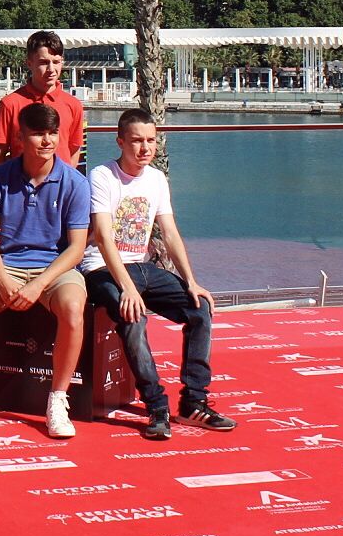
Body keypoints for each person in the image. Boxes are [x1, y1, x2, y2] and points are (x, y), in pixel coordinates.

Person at [83, 108, 235, 440]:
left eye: (151, 140)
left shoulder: (156, 178)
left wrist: (191, 281)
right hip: (101, 268)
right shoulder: (102, 175)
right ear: (120, 141)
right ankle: (156, 407)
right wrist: (126, 287)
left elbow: (170, 232)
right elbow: (105, 238)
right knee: (133, 316)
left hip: (145, 267)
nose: (145, 148)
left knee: (199, 309)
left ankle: (194, 402)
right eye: (137, 141)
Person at [0, 102, 90, 437]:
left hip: (55, 270)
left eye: (52, 133)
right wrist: (3, 278)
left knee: (71, 306)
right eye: (38, 133)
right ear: (21, 137)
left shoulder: (75, 183)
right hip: (7, 265)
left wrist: (38, 286)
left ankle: (57, 399)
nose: (47, 140)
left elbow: (76, 248)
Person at [0, 29, 86, 164]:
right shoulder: (10, 104)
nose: (51, 69)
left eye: (56, 62)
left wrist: (64, 182)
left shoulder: (73, 105)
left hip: (60, 184)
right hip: (21, 183)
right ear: (29, 63)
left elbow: (74, 150)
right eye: (43, 62)